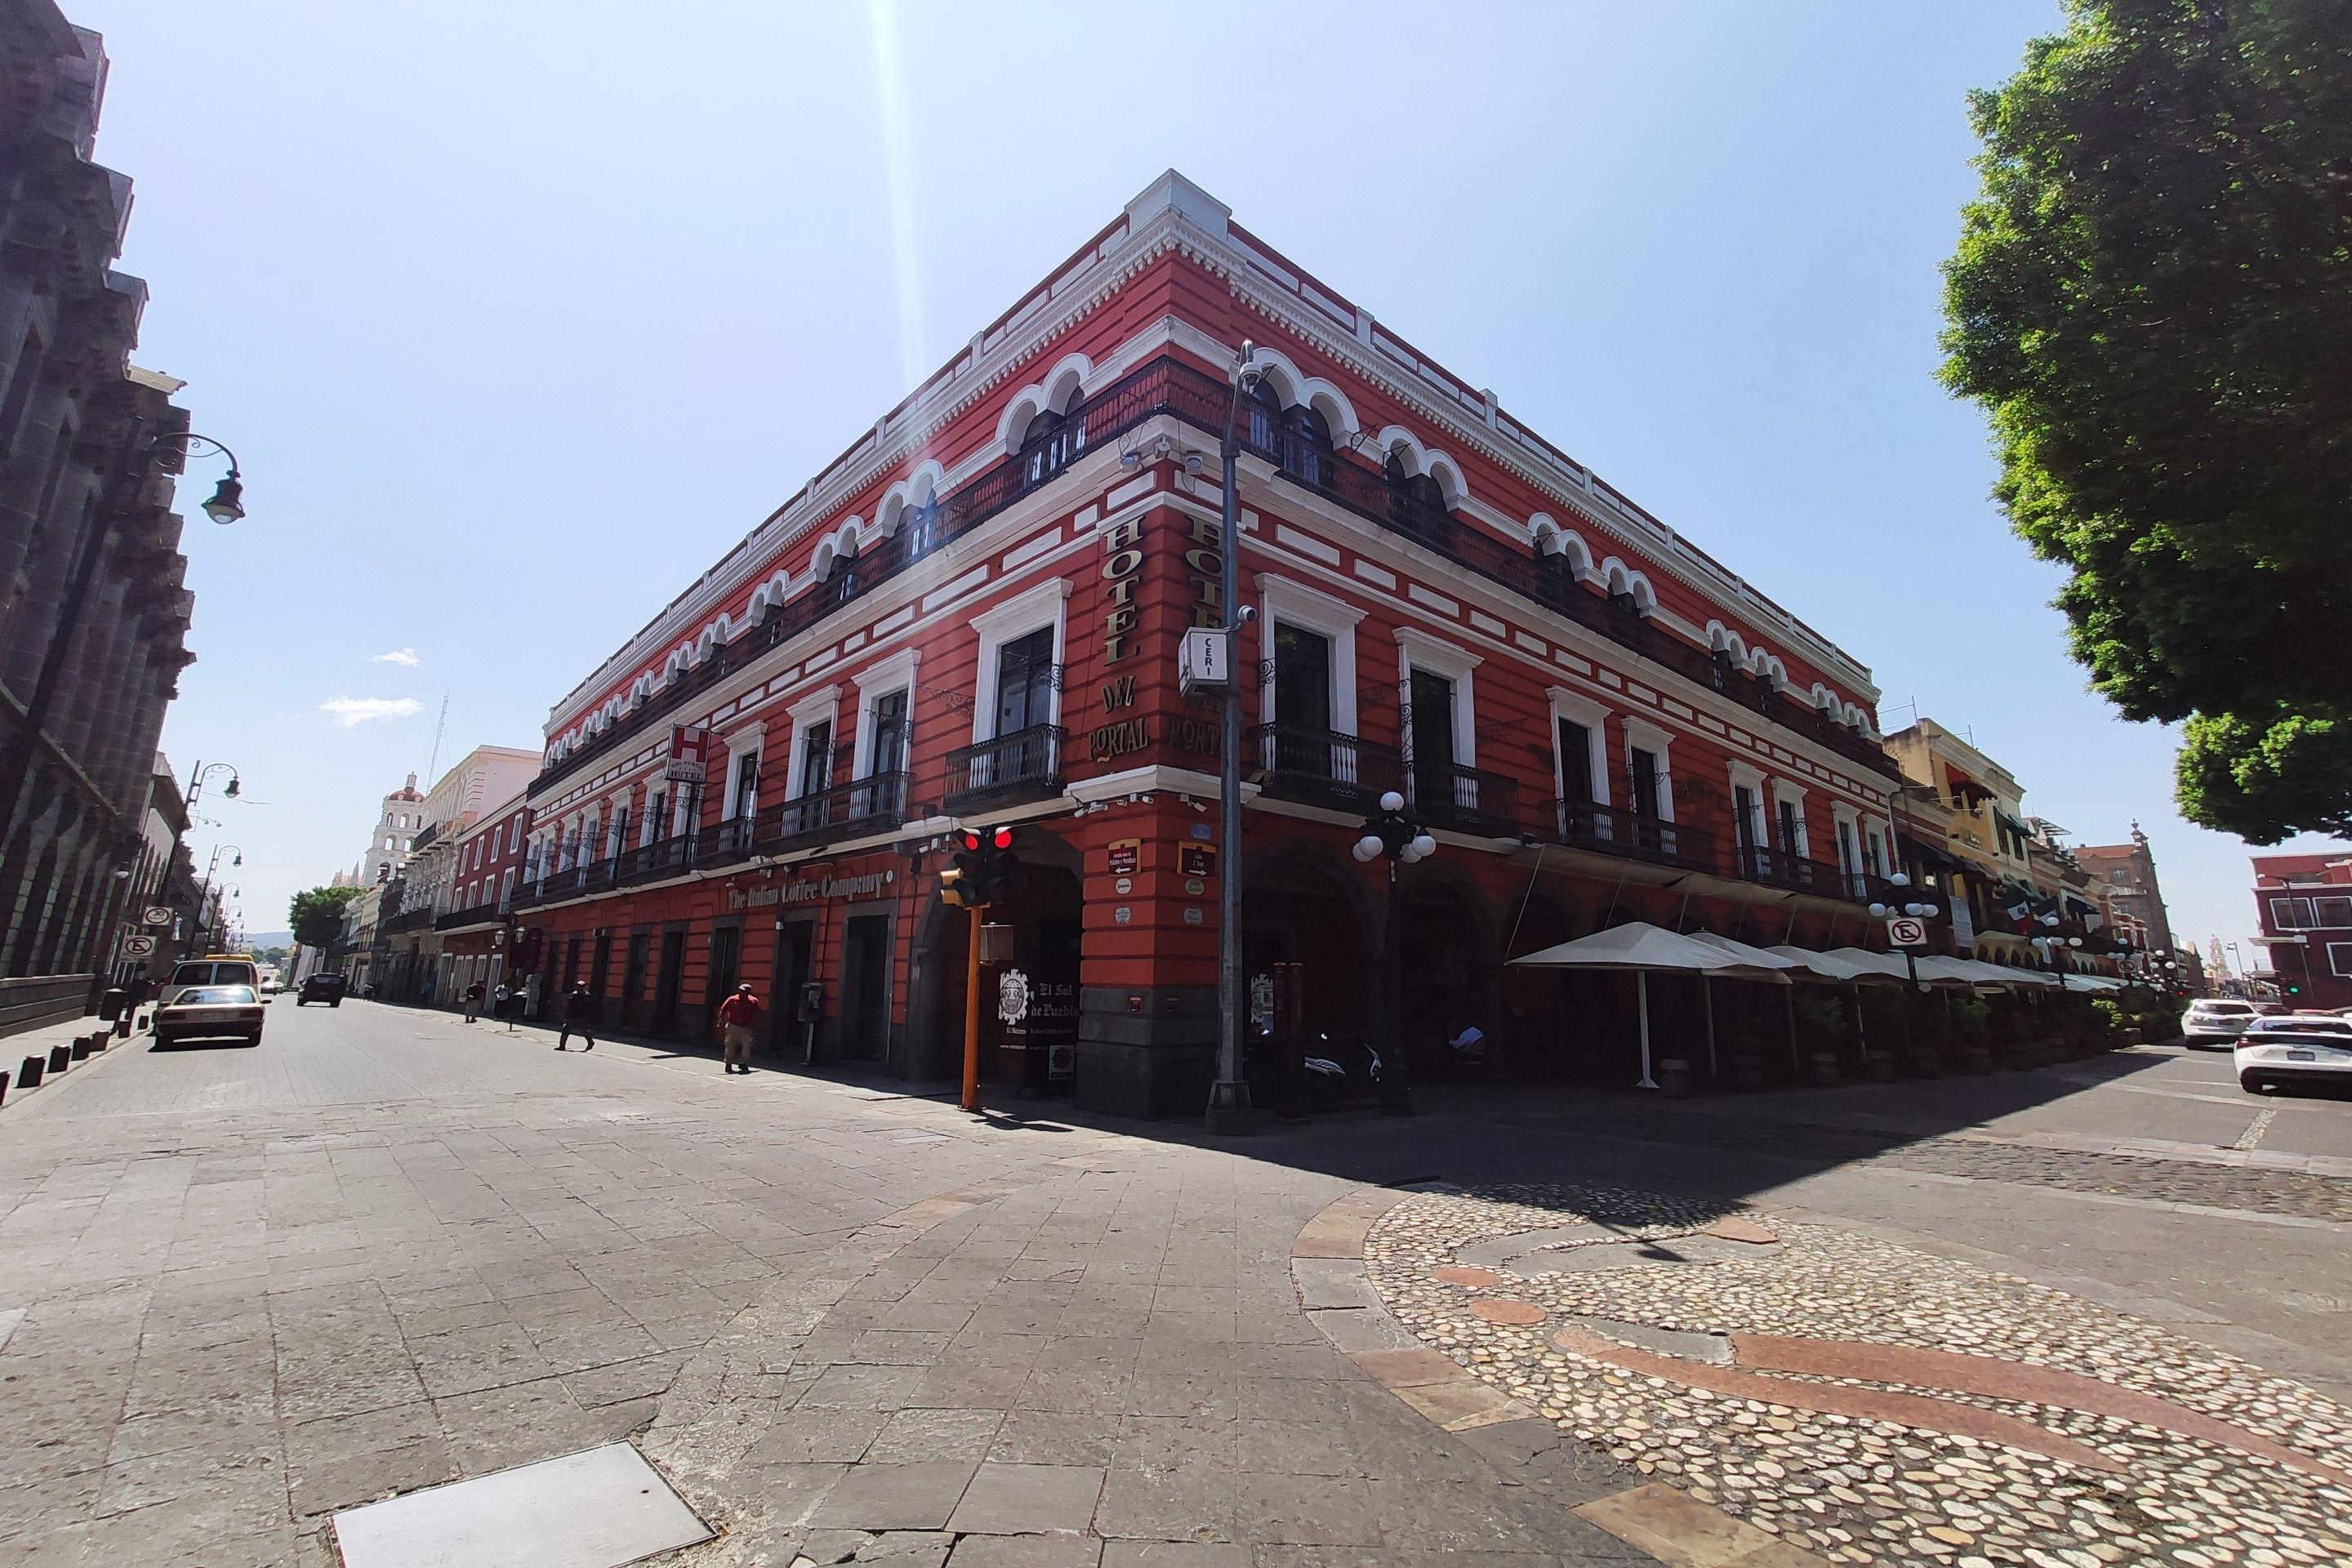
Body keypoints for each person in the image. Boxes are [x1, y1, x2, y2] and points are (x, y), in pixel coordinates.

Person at [717, 982, 762, 1074]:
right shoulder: (732, 999)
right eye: (740, 991)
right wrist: (720, 1021)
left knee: (747, 1046)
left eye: (744, 991)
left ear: (748, 992)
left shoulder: (753, 1001)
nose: (741, 993)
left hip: (746, 1027)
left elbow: (757, 1013)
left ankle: (743, 1063)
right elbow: (723, 1009)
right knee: (730, 1045)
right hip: (733, 1026)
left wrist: (755, 1025)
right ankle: (728, 1064)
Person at [556, 984, 596, 1050]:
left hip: (582, 1016)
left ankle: (590, 1042)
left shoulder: (587, 996)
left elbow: (590, 1008)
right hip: (573, 1015)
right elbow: (569, 1005)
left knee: (584, 1031)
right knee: (566, 1030)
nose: (579, 989)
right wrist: (566, 1014)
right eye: (578, 987)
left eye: (580, 987)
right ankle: (562, 1046)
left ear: (583, 987)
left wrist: (589, 1018)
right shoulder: (573, 994)